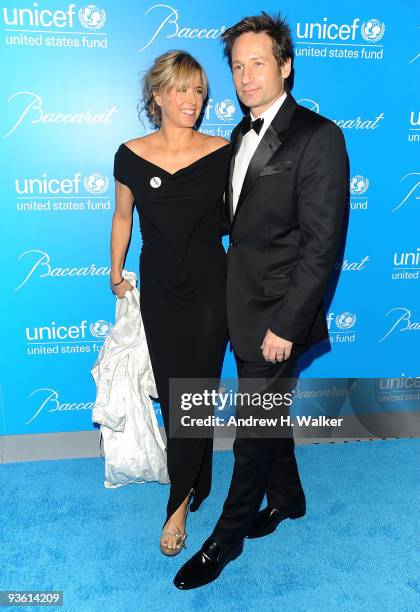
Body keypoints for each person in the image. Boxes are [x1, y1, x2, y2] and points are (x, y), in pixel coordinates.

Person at [174, 12, 348, 589]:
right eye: (238, 66)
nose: (246, 76)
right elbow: (235, 224)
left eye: (258, 63)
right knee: (269, 416)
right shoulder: (236, 137)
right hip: (236, 301)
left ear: (285, 66)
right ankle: (290, 497)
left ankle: (227, 537)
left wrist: (288, 326)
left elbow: (322, 247)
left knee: (252, 425)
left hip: (279, 315)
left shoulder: (318, 136)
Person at [110, 50, 230, 556]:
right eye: (181, 89)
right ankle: (197, 479)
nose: (193, 100)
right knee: (172, 390)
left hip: (211, 286)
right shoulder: (129, 154)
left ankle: (176, 506)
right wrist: (113, 270)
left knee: (193, 395)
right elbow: (122, 217)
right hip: (159, 287)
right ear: (156, 95)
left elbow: (246, 220)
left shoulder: (223, 151)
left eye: (200, 91)